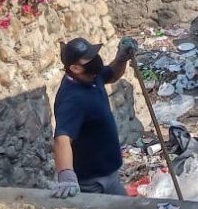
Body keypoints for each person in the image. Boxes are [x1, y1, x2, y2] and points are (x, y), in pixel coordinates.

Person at [51, 36, 138, 198]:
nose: (95, 60)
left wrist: (121, 59)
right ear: (75, 68)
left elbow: (112, 74)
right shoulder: (72, 98)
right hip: (92, 183)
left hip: (111, 175)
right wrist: (66, 175)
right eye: (89, 58)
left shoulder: (92, 75)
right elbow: (62, 138)